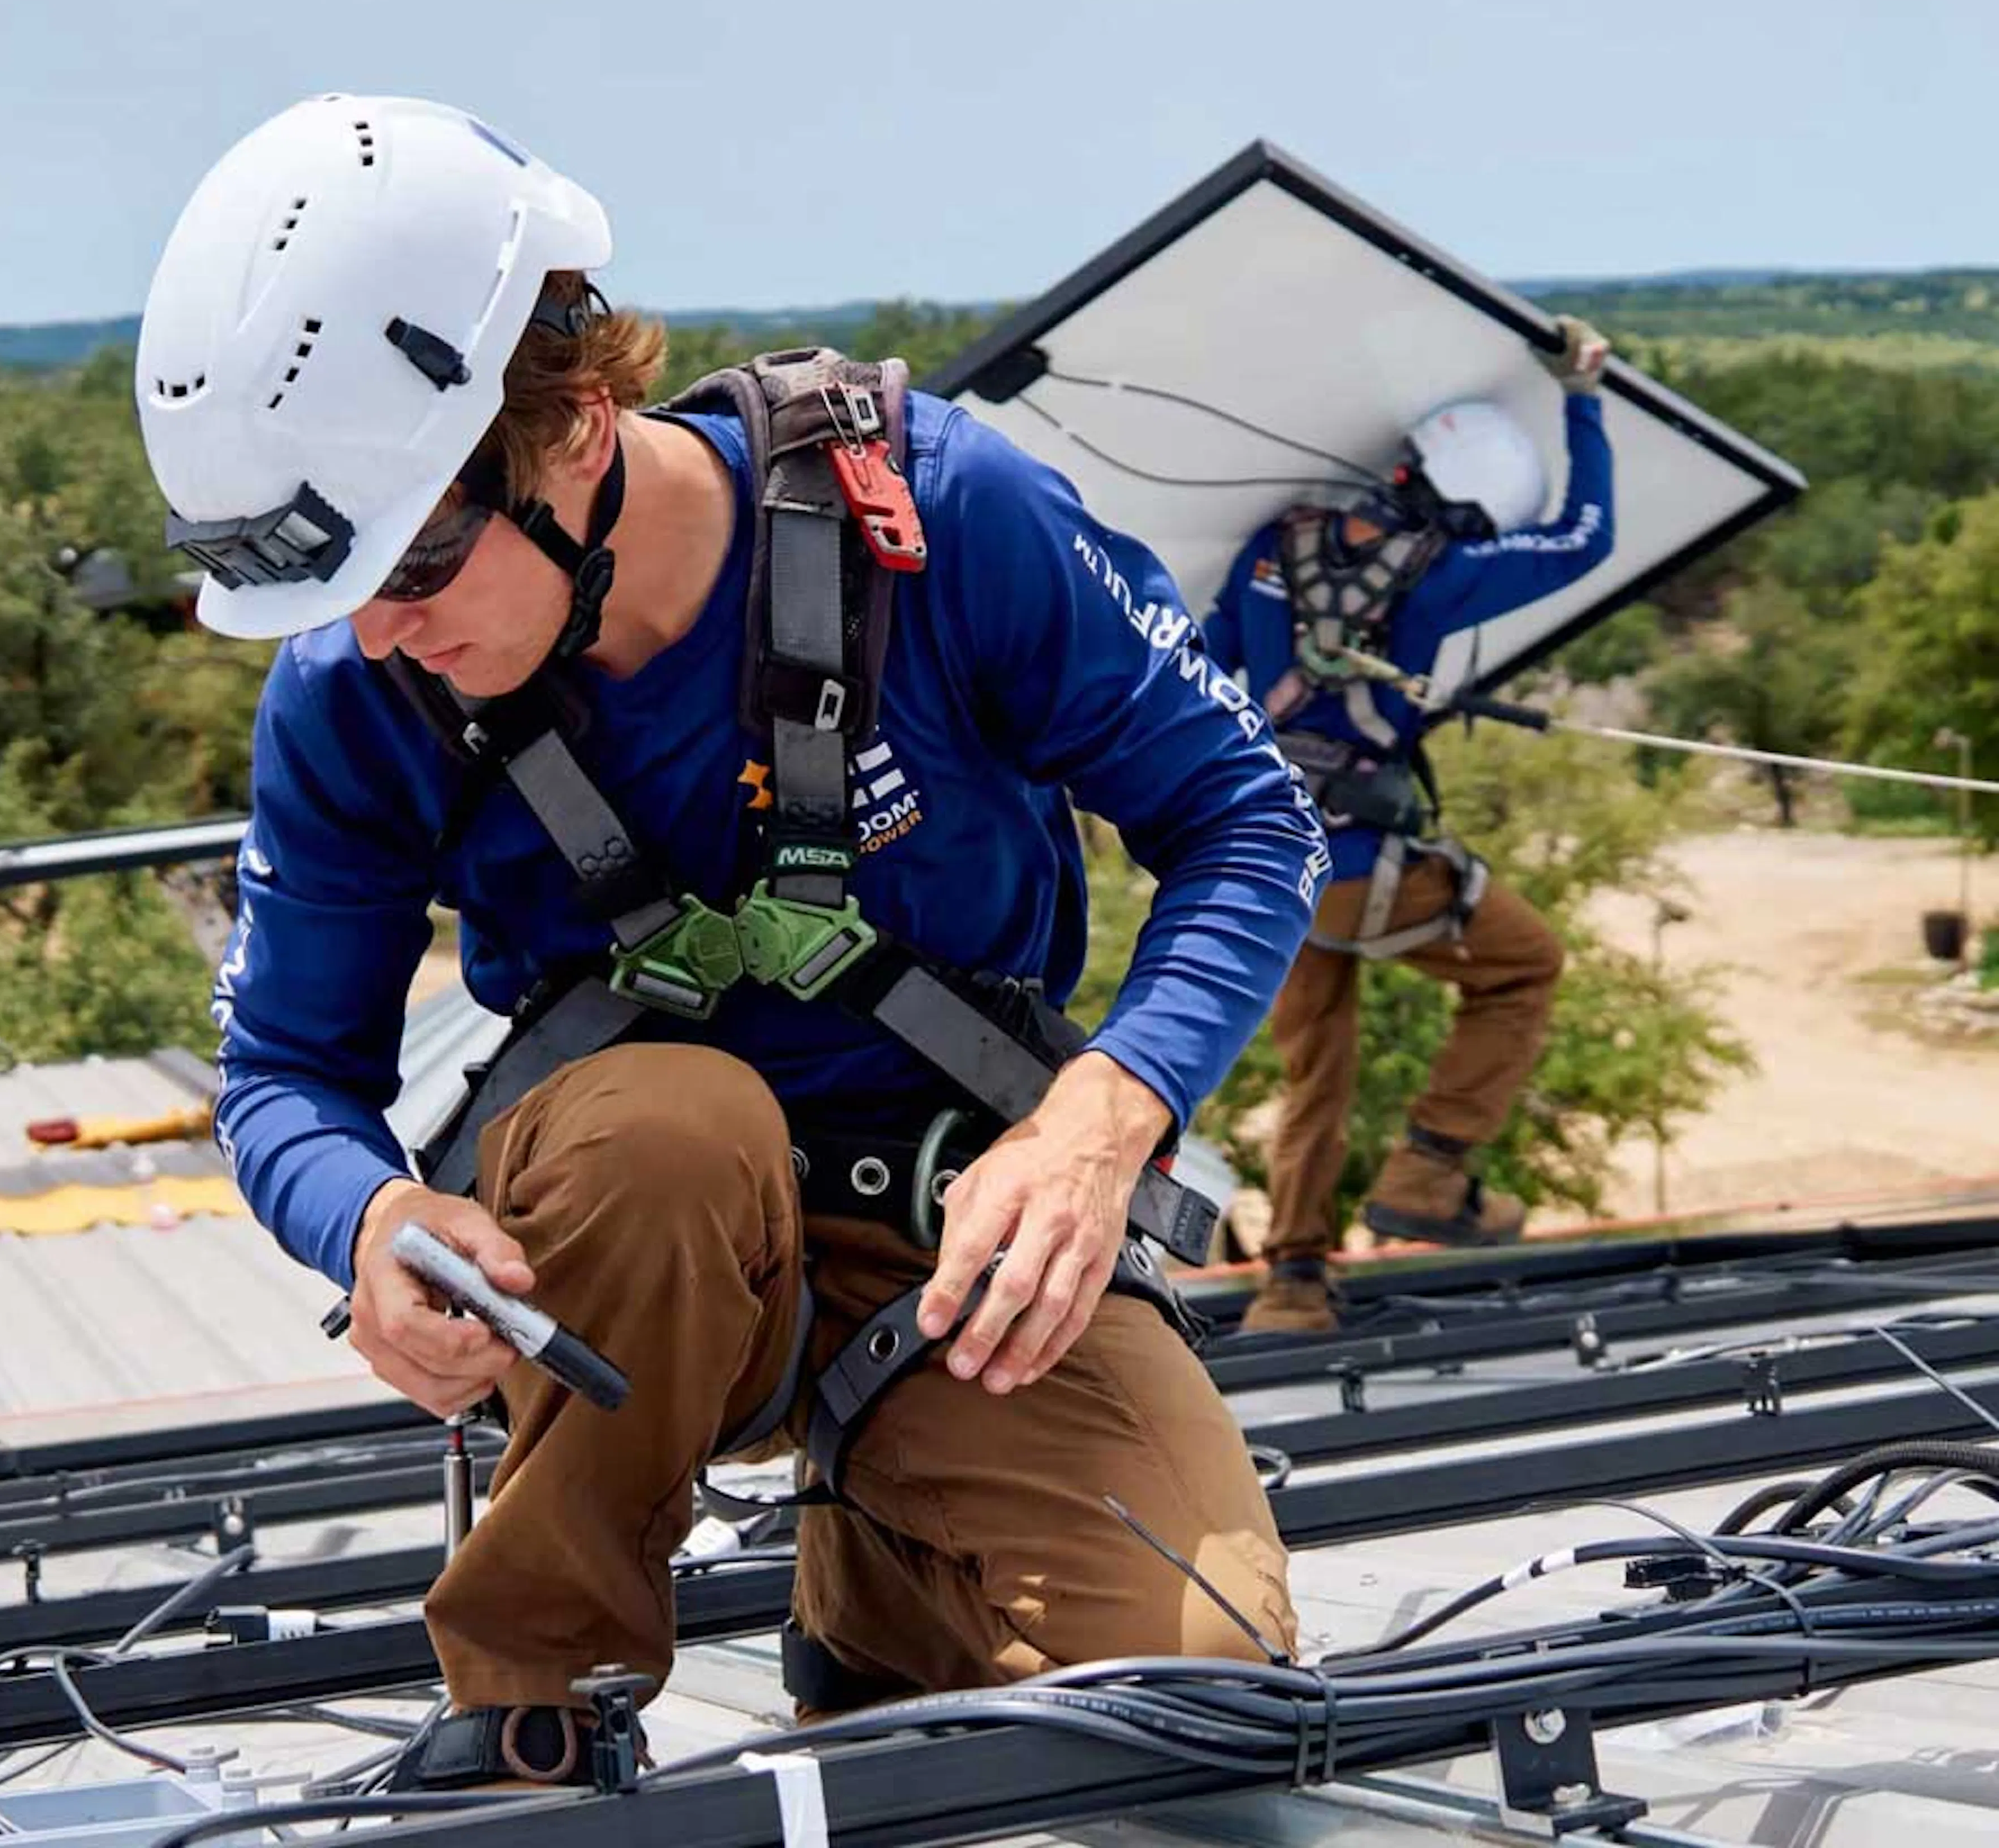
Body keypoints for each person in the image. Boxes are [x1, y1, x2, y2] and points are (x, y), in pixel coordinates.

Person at [137, 94, 1331, 1789]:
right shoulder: (358, 689)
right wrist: (375, 1220)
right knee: (672, 1129)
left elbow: (1251, 821)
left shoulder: (941, 518)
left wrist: (1100, 1123)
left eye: (413, 562)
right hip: (630, 1261)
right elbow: (282, 1077)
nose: (381, 637)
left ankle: (887, 1596)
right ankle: (532, 1700)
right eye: (336, 597)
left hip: (962, 1233)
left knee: (1199, 1697)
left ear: (570, 422)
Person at [1199, 319, 1615, 1336]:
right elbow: (1584, 536)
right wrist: (1584, 399)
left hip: (1268, 861)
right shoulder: (1444, 570)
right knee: (1524, 963)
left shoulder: (1275, 543)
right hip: (1358, 864)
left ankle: (1293, 1281)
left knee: (1316, 1071)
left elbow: (1202, 663)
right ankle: (1429, 1175)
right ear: (1468, 512)